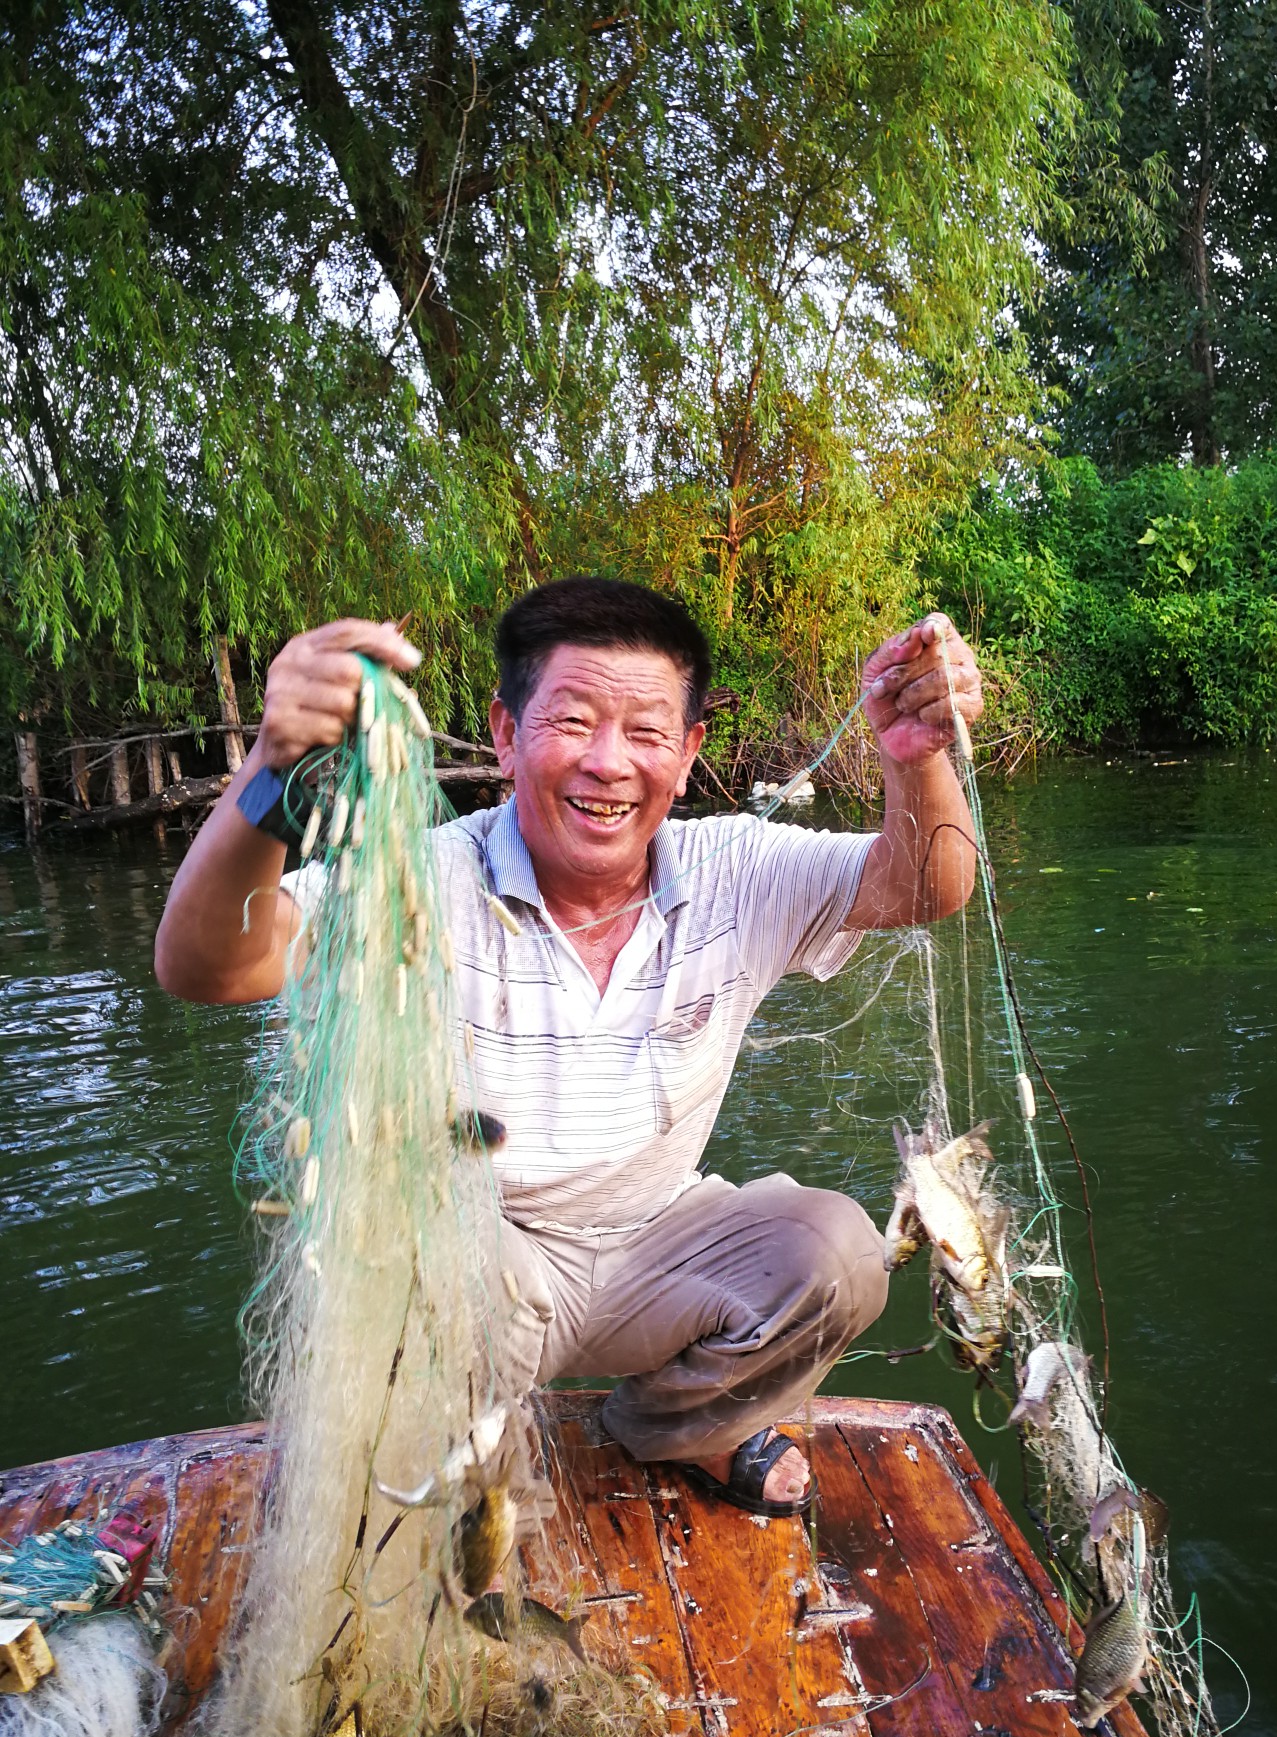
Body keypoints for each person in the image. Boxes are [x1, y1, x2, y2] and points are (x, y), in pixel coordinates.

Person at [155, 579, 984, 1514]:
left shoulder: (739, 868)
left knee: (842, 1255)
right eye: (573, 721)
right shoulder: (416, 879)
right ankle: (452, 1470)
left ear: (689, 751)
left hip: (656, 1248)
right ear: (507, 737)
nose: (608, 764)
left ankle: (684, 1427)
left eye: (645, 731)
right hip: (479, 1263)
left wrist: (916, 756)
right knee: (408, 1276)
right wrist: (272, 769)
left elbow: (922, 886)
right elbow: (208, 966)